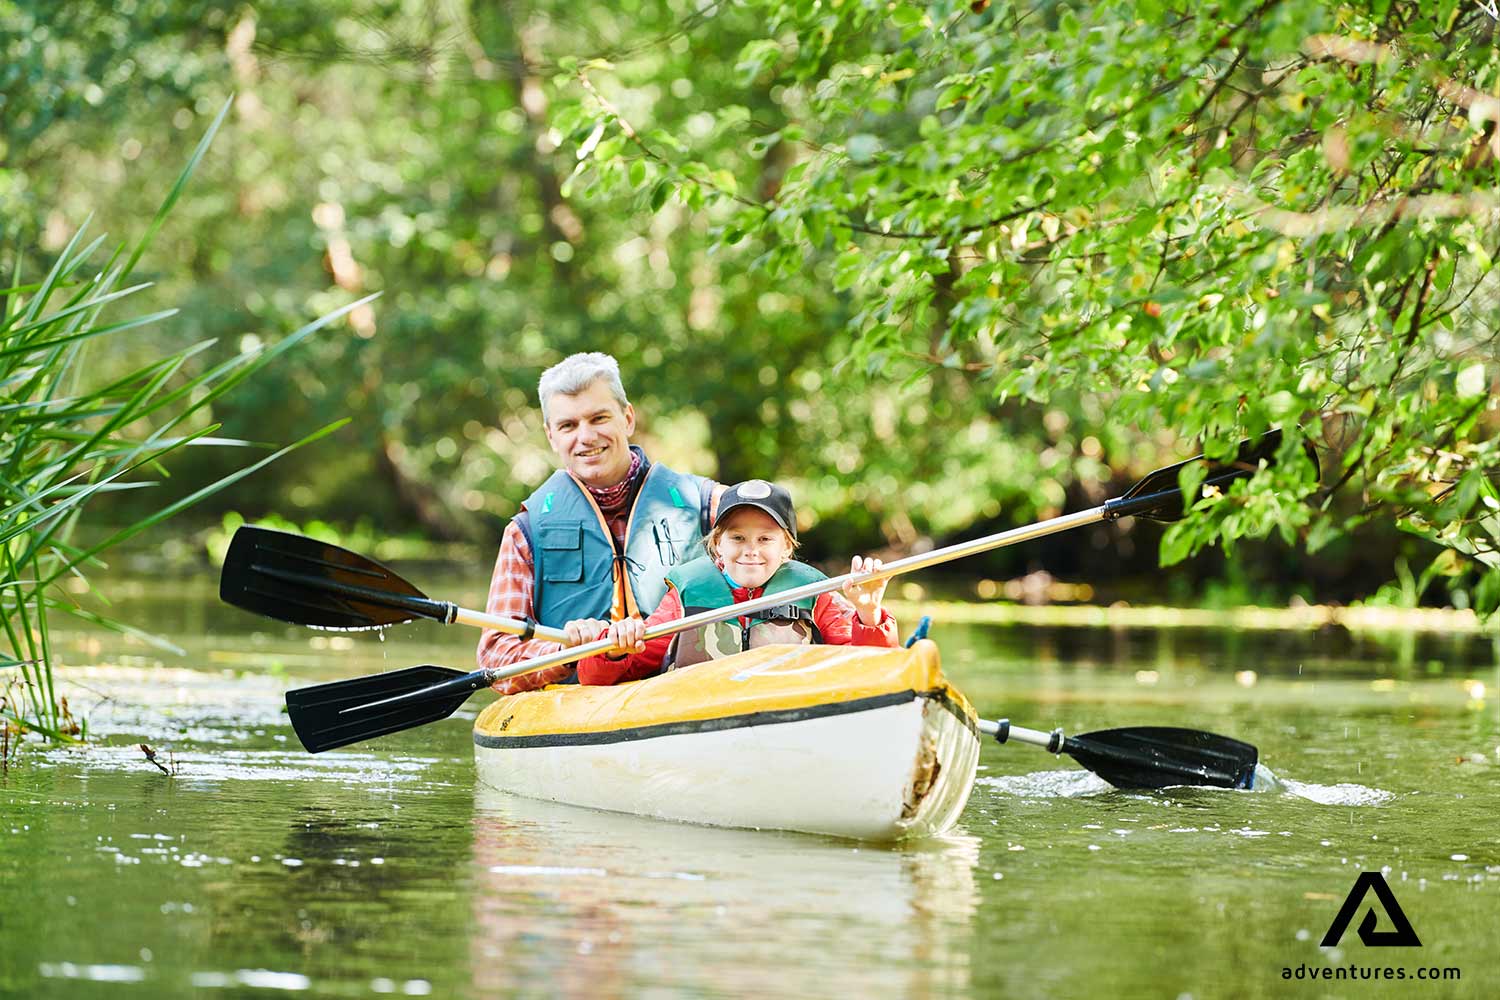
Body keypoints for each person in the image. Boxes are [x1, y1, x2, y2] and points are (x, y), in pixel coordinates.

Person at [477, 352, 724, 693]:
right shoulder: (525, 531)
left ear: (627, 418)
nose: (586, 436)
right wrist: (564, 651)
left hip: (689, 693)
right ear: (551, 436)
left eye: (598, 418)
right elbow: (496, 658)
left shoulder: (709, 505)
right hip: (581, 707)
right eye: (568, 425)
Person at [569, 480, 898, 685]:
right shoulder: (686, 594)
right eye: (737, 537)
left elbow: (871, 671)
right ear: (717, 547)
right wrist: (613, 650)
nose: (751, 550)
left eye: (766, 539)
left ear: (787, 548)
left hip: (789, 715)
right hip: (701, 720)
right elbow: (600, 676)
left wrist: (869, 615)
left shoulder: (814, 595)